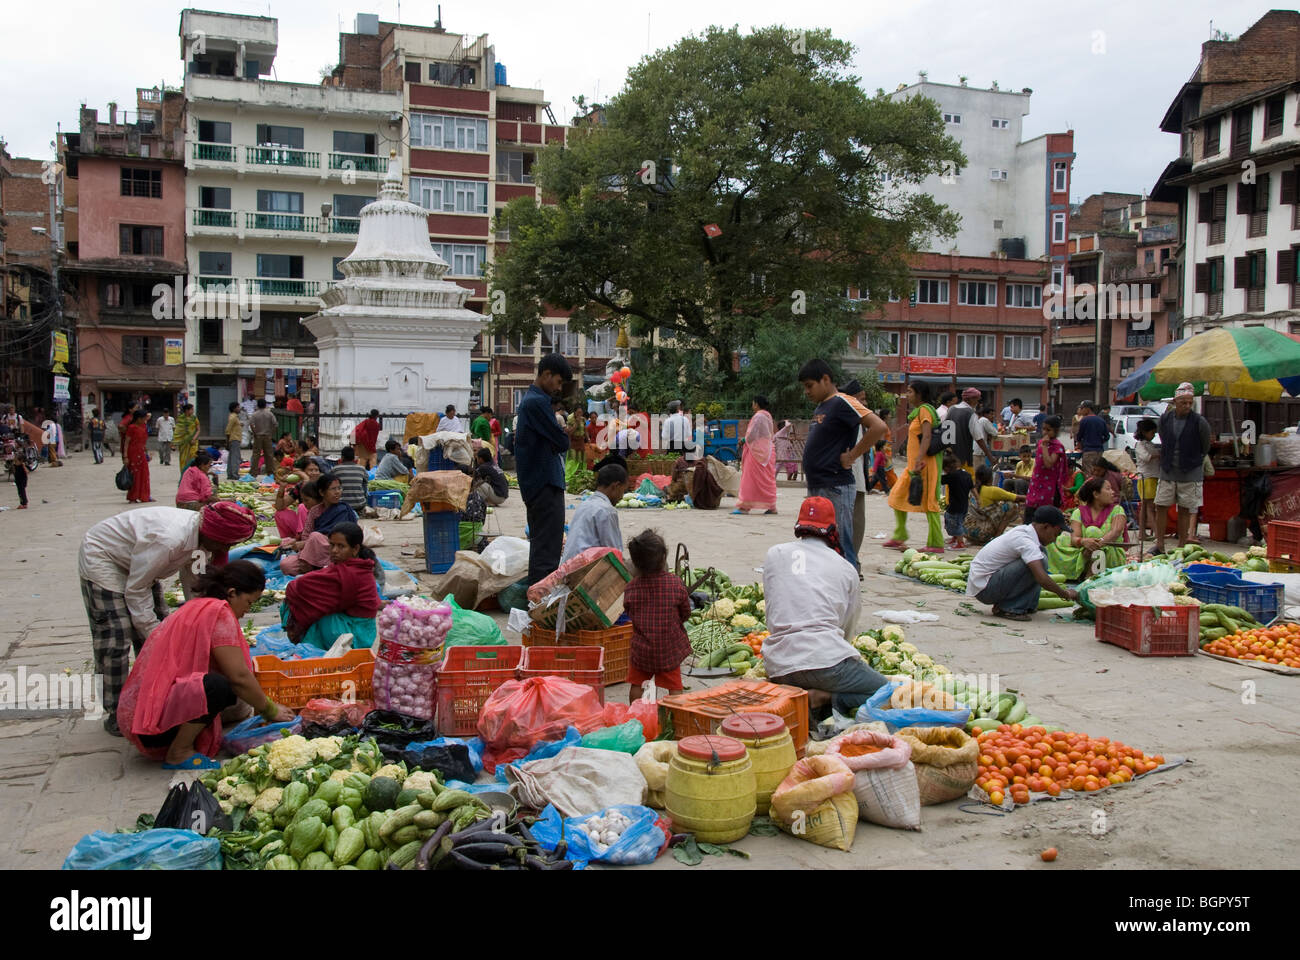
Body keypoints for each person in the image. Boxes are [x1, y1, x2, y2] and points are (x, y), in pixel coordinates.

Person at [79, 501, 258, 734]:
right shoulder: (170, 540)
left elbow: (194, 583)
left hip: (142, 567)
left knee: (166, 628)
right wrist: (157, 633)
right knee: (117, 637)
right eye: (228, 544)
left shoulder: (203, 542)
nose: (227, 549)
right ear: (215, 535)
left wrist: (202, 621)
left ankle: (149, 699)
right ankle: (117, 711)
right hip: (105, 558)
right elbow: (136, 589)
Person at [116, 561, 294, 769]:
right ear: (232, 593)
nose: (247, 610)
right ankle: (179, 752)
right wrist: (270, 709)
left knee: (229, 693)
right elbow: (239, 676)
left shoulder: (196, 606)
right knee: (219, 687)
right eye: (248, 602)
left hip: (144, 716)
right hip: (154, 729)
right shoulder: (219, 614)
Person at [762, 497, 889, 721]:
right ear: (833, 529)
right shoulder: (845, 568)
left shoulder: (775, 554)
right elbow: (847, 624)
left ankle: (794, 692)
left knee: (809, 669)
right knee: (885, 692)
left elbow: (773, 607)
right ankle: (825, 698)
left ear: (799, 525)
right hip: (827, 662)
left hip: (779, 664)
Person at [798, 359, 889, 572]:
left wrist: (853, 455)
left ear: (826, 380)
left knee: (839, 540)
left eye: (809, 386)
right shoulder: (822, 406)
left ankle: (848, 582)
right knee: (819, 539)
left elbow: (879, 427)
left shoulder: (842, 401)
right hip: (818, 483)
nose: (807, 392)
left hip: (836, 484)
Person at [516, 355, 575, 584]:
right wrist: (560, 436)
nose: (559, 388)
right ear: (546, 374)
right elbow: (562, 442)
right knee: (546, 549)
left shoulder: (536, 401)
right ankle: (539, 604)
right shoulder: (536, 403)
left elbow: (557, 439)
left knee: (544, 546)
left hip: (540, 482)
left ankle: (537, 601)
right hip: (543, 484)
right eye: (558, 382)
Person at [966, 506, 1079, 621]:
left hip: (987, 583)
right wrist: (1065, 594)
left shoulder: (1026, 532)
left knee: (1040, 555)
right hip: (985, 589)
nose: (1055, 540)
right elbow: (1042, 579)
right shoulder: (1025, 541)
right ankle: (1010, 608)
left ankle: (1026, 605)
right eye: (1056, 534)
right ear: (1046, 527)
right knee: (1039, 563)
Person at [282, 522, 383, 648]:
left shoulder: (352, 572)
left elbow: (297, 587)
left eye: (341, 546)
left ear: (355, 549)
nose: (334, 551)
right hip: (363, 631)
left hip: (356, 635)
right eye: (332, 545)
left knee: (311, 609)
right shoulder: (350, 567)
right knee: (314, 602)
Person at [623, 529, 692, 702]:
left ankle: (635, 714)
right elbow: (685, 612)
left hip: (642, 650)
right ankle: (676, 717)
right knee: (675, 687)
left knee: (637, 684)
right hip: (668, 648)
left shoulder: (631, 588)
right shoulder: (675, 583)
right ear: (663, 558)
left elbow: (629, 612)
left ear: (636, 564)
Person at [884, 380, 945, 554]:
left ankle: (936, 543)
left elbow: (926, 437)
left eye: (910, 392)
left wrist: (919, 460)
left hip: (923, 464)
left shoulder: (925, 410)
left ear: (920, 394)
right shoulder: (919, 412)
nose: (907, 395)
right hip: (914, 465)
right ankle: (899, 535)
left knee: (929, 502)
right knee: (897, 496)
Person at [1155, 382, 1212, 554]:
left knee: (1185, 509)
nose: (1187, 406)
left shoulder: (1199, 421)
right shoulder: (1165, 419)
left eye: (1190, 403)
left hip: (1190, 471)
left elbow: (1205, 446)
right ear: (1175, 402)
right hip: (1168, 469)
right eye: (1183, 402)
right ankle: (1160, 545)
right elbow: (1164, 438)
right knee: (1161, 506)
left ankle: (1181, 545)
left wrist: (1193, 458)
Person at [1045, 477, 1129, 581]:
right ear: (1096, 494)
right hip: (1085, 552)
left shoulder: (1117, 510)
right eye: (1108, 489)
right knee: (1055, 540)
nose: (1113, 492)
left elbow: (1115, 532)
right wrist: (1084, 541)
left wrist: (1099, 543)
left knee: (1092, 531)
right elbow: (1074, 538)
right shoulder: (1078, 512)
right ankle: (1082, 570)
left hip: (1109, 553)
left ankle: (1090, 574)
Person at [561, 463, 628, 563]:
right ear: (616, 486)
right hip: (581, 571)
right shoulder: (607, 510)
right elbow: (614, 553)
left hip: (567, 566)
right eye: (623, 491)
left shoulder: (585, 504)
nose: (621, 497)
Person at [735, 395, 778, 515]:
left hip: (756, 451)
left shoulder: (758, 416)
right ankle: (771, 506)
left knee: (749, 478)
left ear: (757, 404)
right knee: (767, 479)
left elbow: (753, 434)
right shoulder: (767, 415)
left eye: (753, 403)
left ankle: (744, 507)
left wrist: (743, 440)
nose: (752, 405)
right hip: (767, 450)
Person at [967, 463, 1026, 545]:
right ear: (990, 478)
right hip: (982, 532)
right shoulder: (991, 490)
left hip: (968, 531)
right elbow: (1018, 498)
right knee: (1010, 506)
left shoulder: (972, 488)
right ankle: (997, 538)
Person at [1026, 415, 1069, 517]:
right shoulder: (1041, 442)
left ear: (1056, 430)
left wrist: (1045, 447)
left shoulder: (1057, 446)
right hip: (1037, 482)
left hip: (1049, 486)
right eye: (1043, 429)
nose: (1045, 432)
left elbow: (1049, 464)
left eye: (1048, 430)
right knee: (1030, 511)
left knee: (1045, 514)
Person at [944, 387, 982, 476]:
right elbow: (979, 438)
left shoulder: (951, 409)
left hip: (950, 455)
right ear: (970, 399)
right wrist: (990, 456)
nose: (977, 402)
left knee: (951, 482)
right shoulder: (970, 413)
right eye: (977, 399)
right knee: (969, 482)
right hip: (964, 457)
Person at [1134, 418, 1161, 539]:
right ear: (1145, 432)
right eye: (1152, 433)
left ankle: (1143, 532)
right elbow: (1146, 457)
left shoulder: (1150, 444)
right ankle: (1156, 532)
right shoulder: (1140, 445)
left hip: (1152, 477)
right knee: (1149, 506)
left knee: (1146, 506)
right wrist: (1159, 455)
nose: (1153, 435)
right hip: (1146, 477)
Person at [941, 450, 974, 550]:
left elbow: (939, 479)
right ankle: (955, 538)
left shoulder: (951, 476)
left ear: (947, 468)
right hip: (964, 506)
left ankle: (960, 543)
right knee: (957, 522)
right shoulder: (967, 475)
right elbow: (973, 487)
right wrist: (978, 499)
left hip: (955, 506)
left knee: (955, 524)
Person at [122, 410, 153, 503]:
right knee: (135, 475)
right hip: (133, 453)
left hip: (141, 452)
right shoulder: (131, 427)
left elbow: (143, 442)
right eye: (143, 418)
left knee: (144, 474)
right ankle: (133, 496)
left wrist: (147, 453)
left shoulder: (143, 426)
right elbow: (126, 442)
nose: (144, 420)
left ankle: (144, 495)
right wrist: (125, 456)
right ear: (138, 419)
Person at [1075, 401, 1111, 475]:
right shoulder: (1101, 420)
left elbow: (1079, 436)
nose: (1081, 410)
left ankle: (1091, 486)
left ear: (1088, 409)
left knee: (1089, 473)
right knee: (1099, 473)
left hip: (1088, 452)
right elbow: (1107, 436)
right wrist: (1100, 442)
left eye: (1082, 408)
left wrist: (1079, 444)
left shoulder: (1084, 420)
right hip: (1099, 451)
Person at [331, 445, 370, 513]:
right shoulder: (361, 469)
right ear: (354, 457)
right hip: (359, 505)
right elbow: (365, 485)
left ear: (342, 457)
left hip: (341, 504)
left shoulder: (335, 469)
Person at [248, 399, 278, 477]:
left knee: (256, 455)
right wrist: (271, 433)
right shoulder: (269, 414)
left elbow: (251, 424)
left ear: (258, 405)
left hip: (258, 436)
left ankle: (253, 473)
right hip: (267, 436)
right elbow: (275, 424)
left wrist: (255, 433)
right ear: (265, 405)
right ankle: (270, 472)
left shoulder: (255, 414)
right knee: (269, 455)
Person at [174, 403, 199, 474]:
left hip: (193, 441)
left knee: (193, 456)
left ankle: (193, 473)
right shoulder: (180, 419)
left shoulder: (194, 418)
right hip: (183, 442)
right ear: (186, 410)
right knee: (183, 459)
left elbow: (198, 429)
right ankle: (184, 474)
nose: (193, 411)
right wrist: (174, 443)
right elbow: (177, 431)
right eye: (191, 409)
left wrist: (194, 438)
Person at [223, 402, 243, 480]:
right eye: (238, 407)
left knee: (231, 457)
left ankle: (230, 474)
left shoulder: (234, 417)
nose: (239, 409)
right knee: (235, 457)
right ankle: (235, 474)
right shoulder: (233, 417)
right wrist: (227, 442)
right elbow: (228, 430)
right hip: (234, 439)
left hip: (235, 439)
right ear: (234, 408)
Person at [10, 433, 30, 509]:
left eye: (16, 461)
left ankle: (23, 503)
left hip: (22, 480)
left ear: (21, 461)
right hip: (18, 480)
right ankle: (24, 503)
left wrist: (25, 481)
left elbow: (26, 472)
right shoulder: (16, 465)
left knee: (21, 492)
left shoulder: (22, 465)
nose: (15, 462)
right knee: (20, 492)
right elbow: (14, 470)